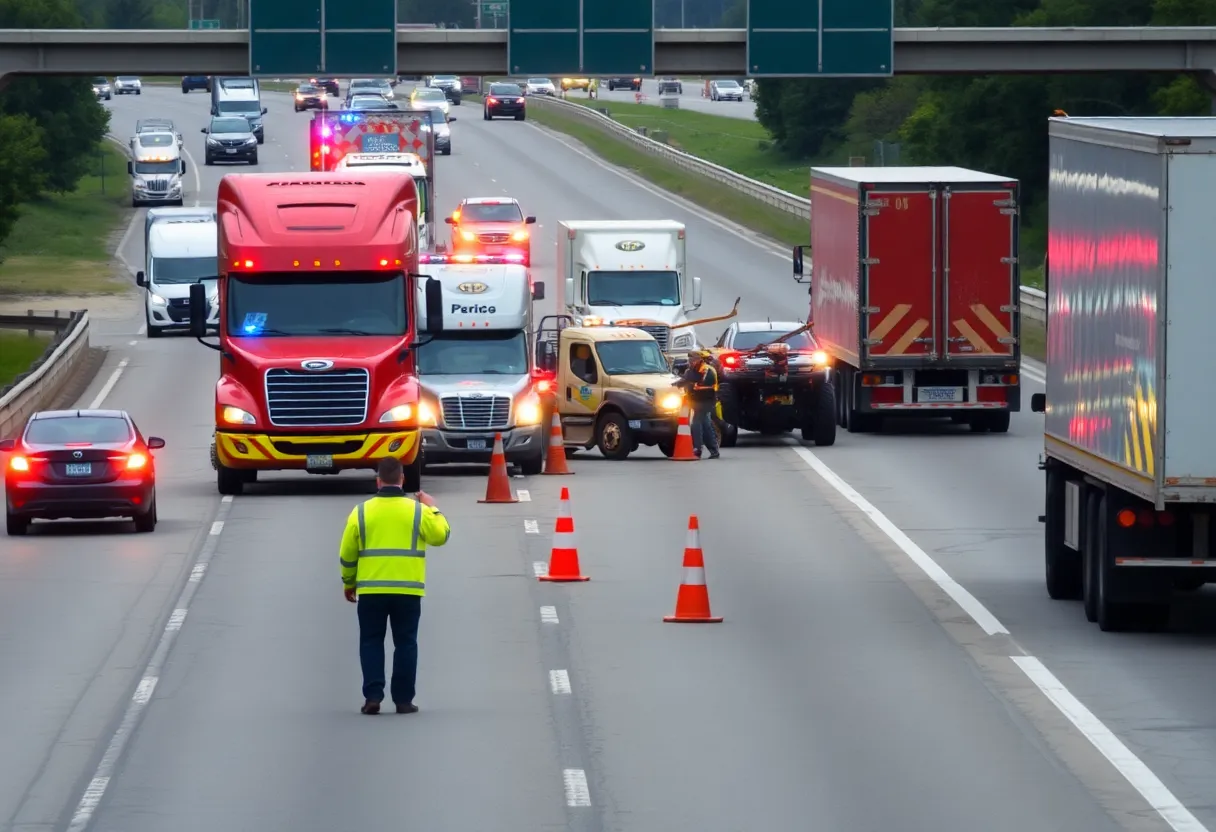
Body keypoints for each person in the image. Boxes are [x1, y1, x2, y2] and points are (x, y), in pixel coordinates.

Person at [339, 456, 451, 715]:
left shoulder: (361, 512)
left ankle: (373, 697)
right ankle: (403, 700)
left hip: (371, 591)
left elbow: (347, 553)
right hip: (407, 590)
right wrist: (433, 508)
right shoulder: (417, 511)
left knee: (371, 642)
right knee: (406, 643)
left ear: (378, 481)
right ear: (402, 479)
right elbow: (441, 536)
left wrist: (349, 582)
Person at [680, 350, 720, 459]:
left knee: (696, 423)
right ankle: (714, 450)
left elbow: (702, 385)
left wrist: (690, 384)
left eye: (692, 360)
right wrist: (675, 384)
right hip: (696, 401)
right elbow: (685, 381)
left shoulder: (707, 370)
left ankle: (697, 449)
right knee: (705, 424)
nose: (690, 362)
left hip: (706, 401)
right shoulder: (690, 371)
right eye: (689, 360)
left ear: (699, 360)